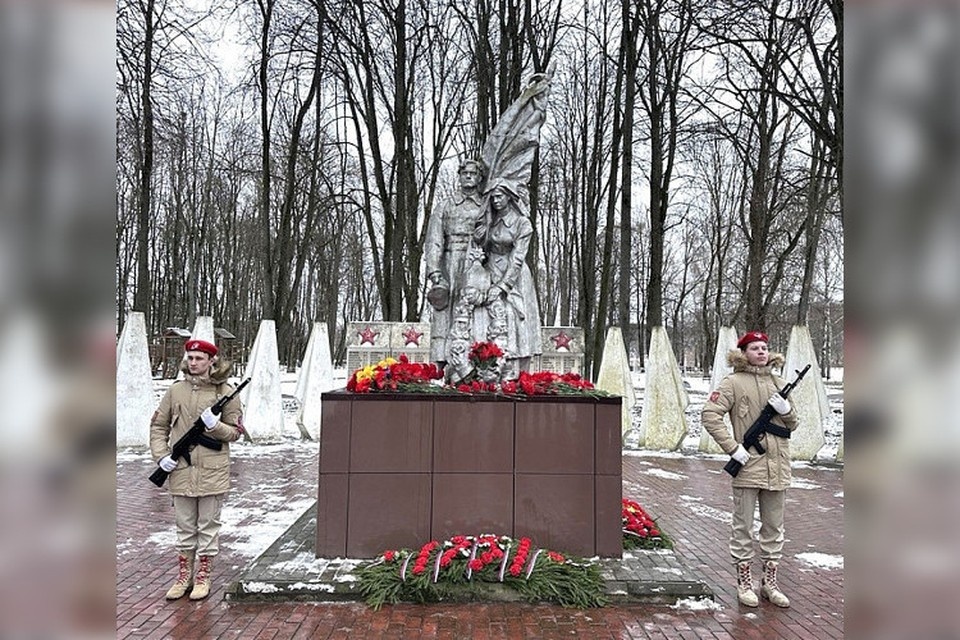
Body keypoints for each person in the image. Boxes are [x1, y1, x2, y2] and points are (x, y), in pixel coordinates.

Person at [701, 331, 799, 608]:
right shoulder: (732, 383)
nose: (761, 352)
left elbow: (793, 424)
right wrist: (733, 448)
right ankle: (744, 583)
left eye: (764, 347)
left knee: (774, 528)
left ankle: (770, 583)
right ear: (744, 353)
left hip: (777, 467)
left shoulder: (779, 383)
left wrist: (787, 409)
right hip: (748, 466)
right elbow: (710, 415)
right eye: (755, 348)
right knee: (743, 526)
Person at [149, 339, 244, 601]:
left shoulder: (225, 391)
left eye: (199, 358)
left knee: (208, 526)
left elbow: (236, 433)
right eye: (190, 358)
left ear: (212, 360)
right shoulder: (175, 391)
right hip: (180, 469)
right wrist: (161, 457)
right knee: (184, 526)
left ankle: (203, 577)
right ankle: (183, 577)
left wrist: (215, 427)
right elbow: (158, 427)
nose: (193, 363)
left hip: (213, 470)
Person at [472, 180, 542, 379]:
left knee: (513, 317)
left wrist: (503, 286)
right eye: (493, 197)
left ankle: (515, 371)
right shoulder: (490, 220)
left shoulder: (522, 223)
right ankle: (488, 366)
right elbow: (482, 249)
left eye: (500, 196)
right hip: (490, 270)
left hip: (514, 276)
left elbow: (518, 258)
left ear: (509, 197)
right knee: (487, 317)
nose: (496, 201)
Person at [424, 159, 486, 369]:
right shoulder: (445, 205)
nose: (469, 176)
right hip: (449, 262)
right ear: (459, 176)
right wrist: (434, 272)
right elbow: (434, 240)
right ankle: (440, 364)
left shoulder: (485, 207)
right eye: (464, 173)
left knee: (472, 312)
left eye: (473, 173)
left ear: (479, 178)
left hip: (475, 264)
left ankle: (474, 362)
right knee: (445, 313)